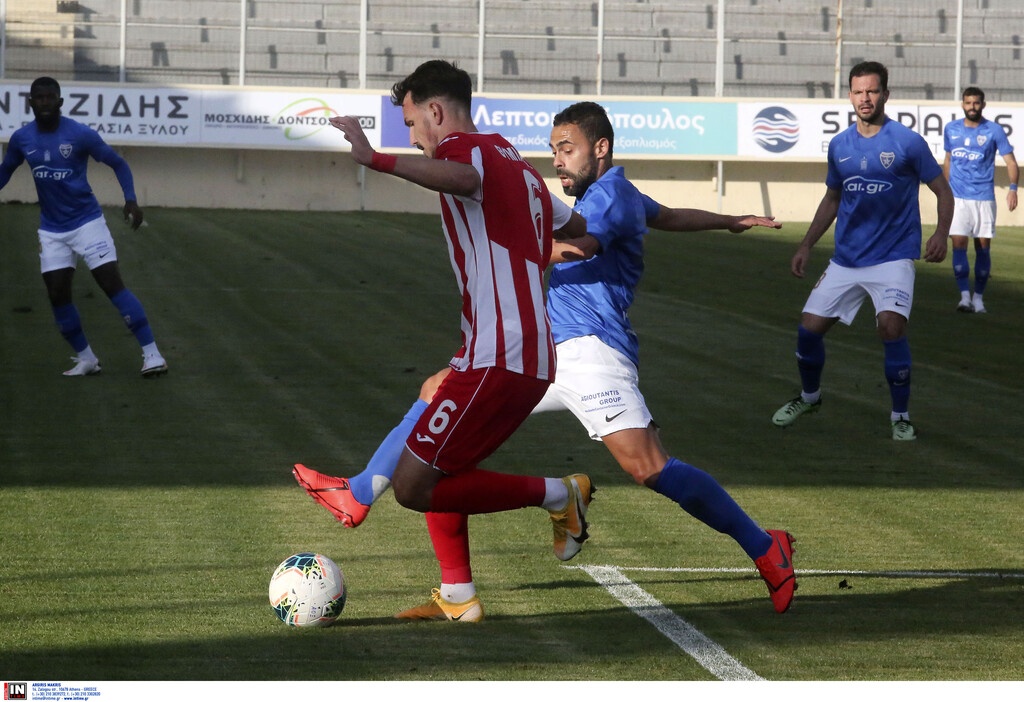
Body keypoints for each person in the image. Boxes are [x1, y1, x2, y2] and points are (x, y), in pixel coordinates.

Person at [295, 100, 799, 615]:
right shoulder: (620, 193)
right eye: (553, 150)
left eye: (566, 149)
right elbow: (666, 215)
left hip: (589, 350)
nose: (556, 161)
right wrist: (729, 220)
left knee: (650, 467)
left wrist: (505, 243)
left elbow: (580, 247)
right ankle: (450, 587)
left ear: (600, 149)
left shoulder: (609, 195)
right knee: (438, 406)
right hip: (542, 347)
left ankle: (765, 546)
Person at [317, 60, 594, 624]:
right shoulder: (516, 164)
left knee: (417, 484)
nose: (414, 137)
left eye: (413, 123)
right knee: (432, 434)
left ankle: (561, 495)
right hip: (506, 349)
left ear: (436, 110)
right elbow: (575, 232)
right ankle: (459, 596)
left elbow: (464, 180)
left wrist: (376, 159)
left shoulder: (464, 152)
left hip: (503, 351)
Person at [771, 61, 952, 441]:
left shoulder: (907, 142)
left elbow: (942, 191)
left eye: (872, 91)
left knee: (890, 327)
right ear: (850, 95)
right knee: (808, 331)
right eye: (858, 91)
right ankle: (809, 397)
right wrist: (806, 245)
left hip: (894, 257)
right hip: (846, 260)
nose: (864, 98)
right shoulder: (840, 146)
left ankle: (899, 416)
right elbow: (832, 198)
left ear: (885, 94)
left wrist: (941, 233)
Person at [0, 76, 167, 378]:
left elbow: (118, 163)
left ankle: (152, 354)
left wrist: (130, 200)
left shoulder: (79, 135)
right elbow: (5, 171)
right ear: (31, 102)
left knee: (110, 283)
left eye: (51, 97)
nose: (46, 103)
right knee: (57, 294)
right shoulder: (22, 139)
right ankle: (87, 359)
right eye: (40, 98)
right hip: (52, 230)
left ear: (61, 102)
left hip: (87, 223)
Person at [942, 86, 1018, 314]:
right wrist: (945, 191)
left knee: (983, 248)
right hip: (958, 197)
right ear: (962, 104)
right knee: (958, 245)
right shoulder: (951, 129)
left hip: (984, 198)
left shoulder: (994, 131)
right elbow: (947, 160)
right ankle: (964, 297)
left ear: (983, 105)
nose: (972, 107)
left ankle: (979, 298)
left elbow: (1011, 162)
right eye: (968, 103)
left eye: (976, 103)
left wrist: (1013, 188)